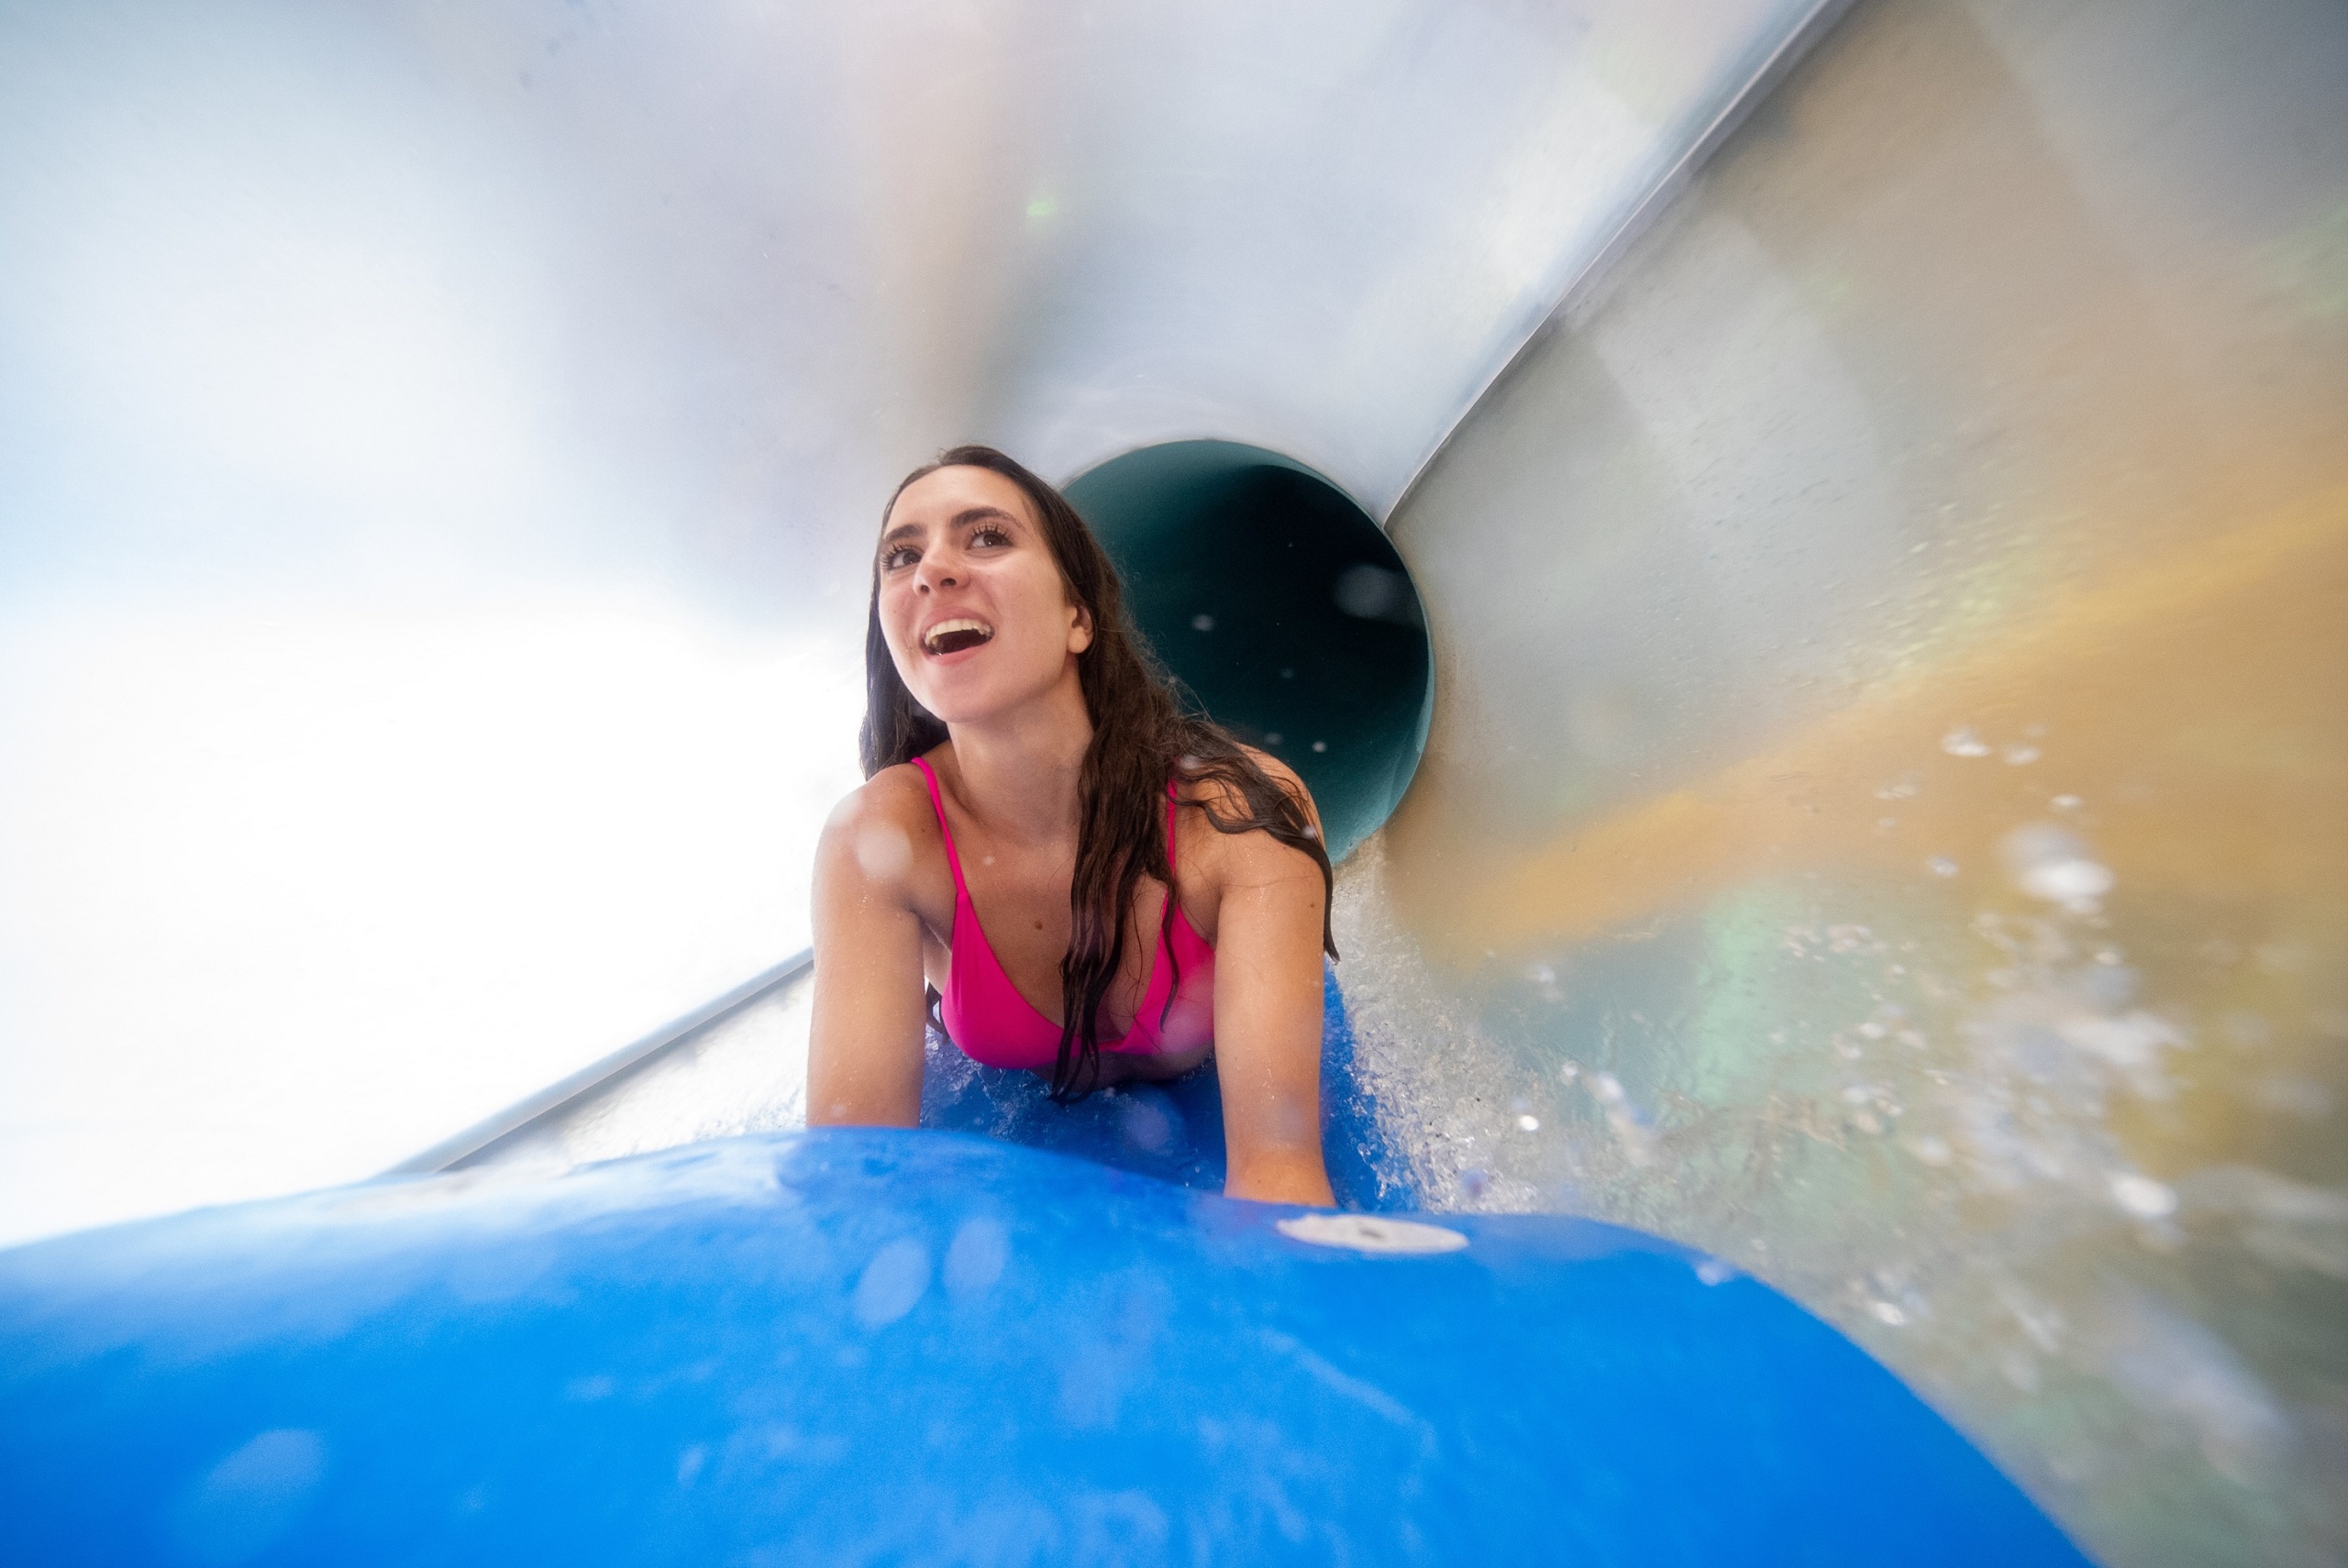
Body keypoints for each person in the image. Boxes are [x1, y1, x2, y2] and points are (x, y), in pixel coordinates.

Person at [807, 446, 1337, 1206]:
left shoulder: (1237, 817)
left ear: (1077, 618)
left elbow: (1278, 1174)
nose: (931, 571)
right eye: (901, 555)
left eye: (986, 536)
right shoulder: (881, 842)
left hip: (1213, 1099)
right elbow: (852, 1190)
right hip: (1027, 1145)